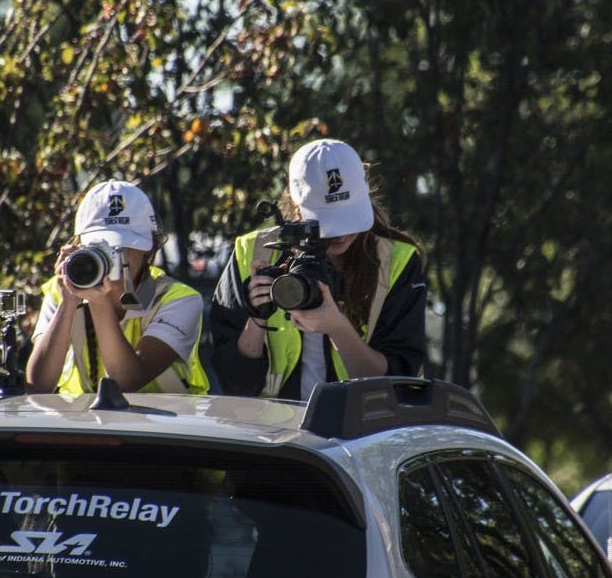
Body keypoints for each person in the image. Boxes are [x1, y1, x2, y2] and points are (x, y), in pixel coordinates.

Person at [210, 138, 426, 399]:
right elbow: (235, 385)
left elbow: (398, 387)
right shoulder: (253, 253)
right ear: (295, 203)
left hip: (363, 432)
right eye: (326, 219)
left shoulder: (397, 261)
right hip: (274, 431)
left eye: (348, 216)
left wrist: (338, 328)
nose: (340, 234)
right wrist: (257, 319)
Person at [27, 179, 210, 395]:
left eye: (122, 249)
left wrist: (98, 302)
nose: (111, 258)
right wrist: (68, 304)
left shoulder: (179, 300)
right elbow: (37, 386)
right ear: (78, 246)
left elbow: (127, 382)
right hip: (83, 426)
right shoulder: (61, 291)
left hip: (164, 426)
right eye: (100, 248)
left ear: (149, 250)